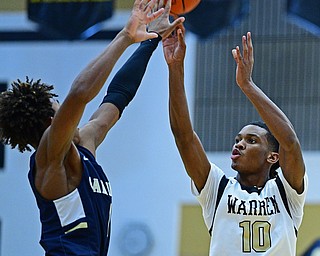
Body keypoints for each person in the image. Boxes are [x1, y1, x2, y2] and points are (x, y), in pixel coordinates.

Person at [0, 0, 184, 255]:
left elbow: (117, 95)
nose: (69, 112)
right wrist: (125, 36)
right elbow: (79, 93)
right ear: (53, 123)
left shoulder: (84, 144)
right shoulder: (48, 158)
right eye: (59, 107)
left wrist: (152, 39)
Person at [162, 26, 308, 255]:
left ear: (272, 156)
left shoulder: (285, 192)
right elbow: (184, 136)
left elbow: (289, 141)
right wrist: (175, 67)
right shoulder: (217, 188)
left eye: (251, 141)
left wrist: (247, 85)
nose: (239, 144)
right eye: (238, 139)